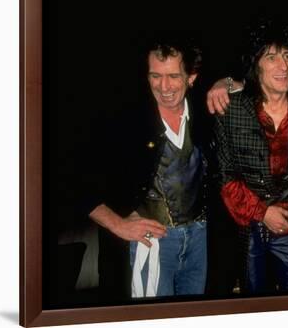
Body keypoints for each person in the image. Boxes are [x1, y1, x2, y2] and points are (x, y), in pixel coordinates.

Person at [87, 34, 211, 299]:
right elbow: (74, 180)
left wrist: (230, 83)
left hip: (200, 241)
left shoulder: (205, 111)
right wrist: (117, 223)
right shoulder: (124, 121)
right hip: (151, 244)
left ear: (191, 77)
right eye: (155, 76)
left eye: (174, 76)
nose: (164, 86)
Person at [213, 19, 288, 293]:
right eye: (272, 57)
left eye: (287, 56)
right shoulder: (231, 110)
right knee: (252, 306)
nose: (284, 66)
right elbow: (224, 176)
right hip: (248, 226)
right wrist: (262, 213)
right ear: (256, 65)